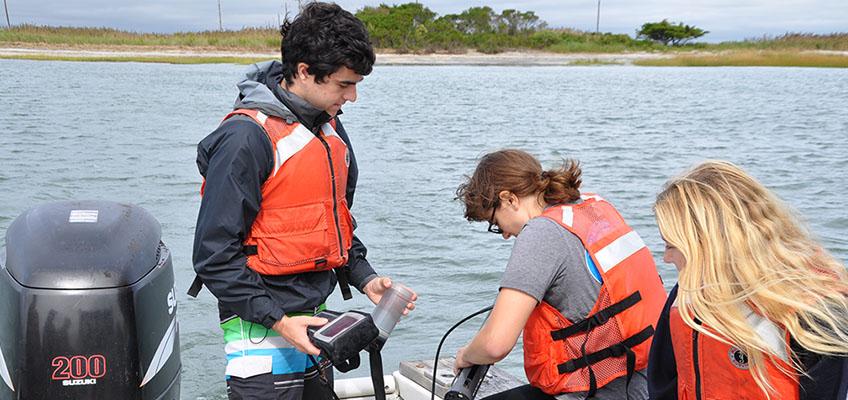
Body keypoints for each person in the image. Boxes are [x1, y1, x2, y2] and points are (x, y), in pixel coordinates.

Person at [189, 3, 416, 399]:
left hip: (314, 327)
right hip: (259, 331)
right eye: (344, 85)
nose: (354, 96)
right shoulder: (245, 139)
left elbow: (333, 220)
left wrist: (365, 278)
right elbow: (213, 256)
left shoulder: (327, 126)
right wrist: (279, 322)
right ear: (304, 71)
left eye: (357, 84)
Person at [454, 149, 666, 399]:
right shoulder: (592, 205)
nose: (504, 235)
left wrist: (466, 355)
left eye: (496, 223)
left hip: (602, 390)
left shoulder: (542, 232)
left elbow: (495, 344)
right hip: (645, 379)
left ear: (509, 199)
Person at [648, 160, 848, 400]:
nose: (666, 257)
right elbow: (663, 386)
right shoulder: (686, 293)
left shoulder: (816, 314)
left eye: (672, 246)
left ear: (710, 245)